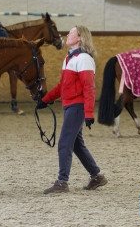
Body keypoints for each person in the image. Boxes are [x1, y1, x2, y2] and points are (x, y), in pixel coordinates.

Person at [37, 25, 108, 194]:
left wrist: (89, 113)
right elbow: (63, 85)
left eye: (71, 32)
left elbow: (89, 87)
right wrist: (45, 100)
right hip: (69, 105)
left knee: (64, 143)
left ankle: (62, 181)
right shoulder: (69, 58)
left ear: (80, 38)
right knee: (76, 144)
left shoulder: (83, 59)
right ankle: (96, 175)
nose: (67, 34)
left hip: (77, 106)